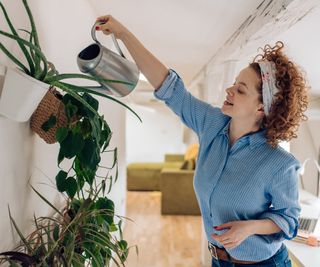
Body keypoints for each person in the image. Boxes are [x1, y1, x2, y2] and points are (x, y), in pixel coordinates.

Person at [95, 15, 309, 267]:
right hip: (218, 260)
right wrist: (123, 33)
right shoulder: (212, 123)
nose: (229, 90)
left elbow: (290, 220)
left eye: (240, 90)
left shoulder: (279, 163)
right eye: (234, 84)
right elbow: (170, 87)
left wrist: (250, 227)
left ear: (262, 108)